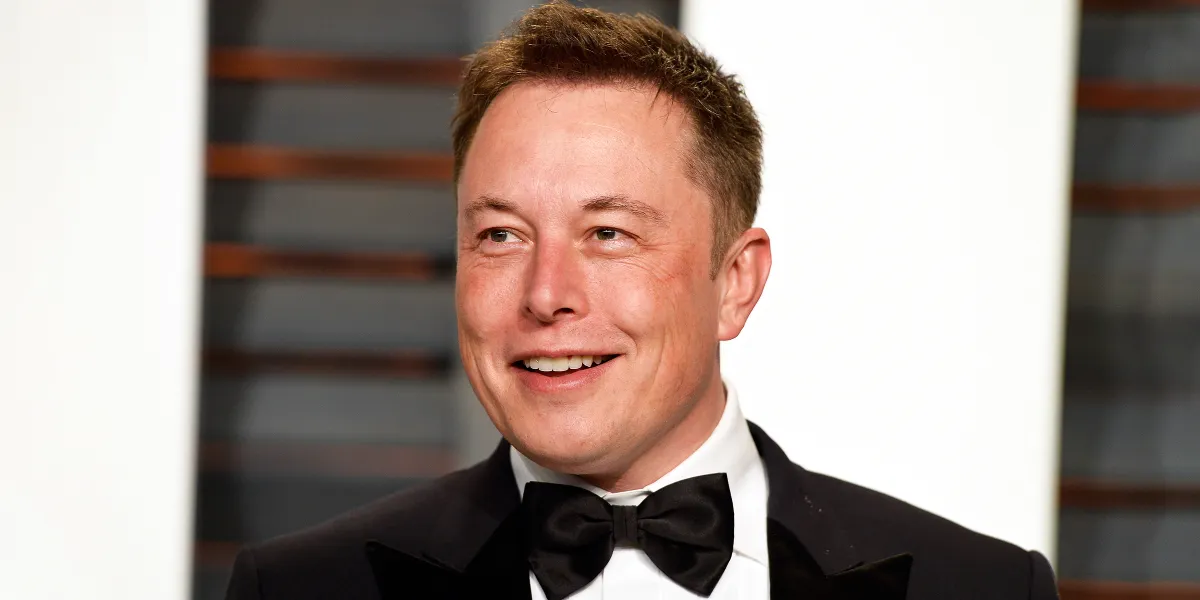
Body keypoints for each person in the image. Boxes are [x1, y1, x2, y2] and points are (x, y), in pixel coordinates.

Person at [224, 2, 1059, 598]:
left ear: (736, 283)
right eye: (502, 235)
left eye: (608, 233)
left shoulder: (979, 588)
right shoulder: (302, 587)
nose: (546, 295)